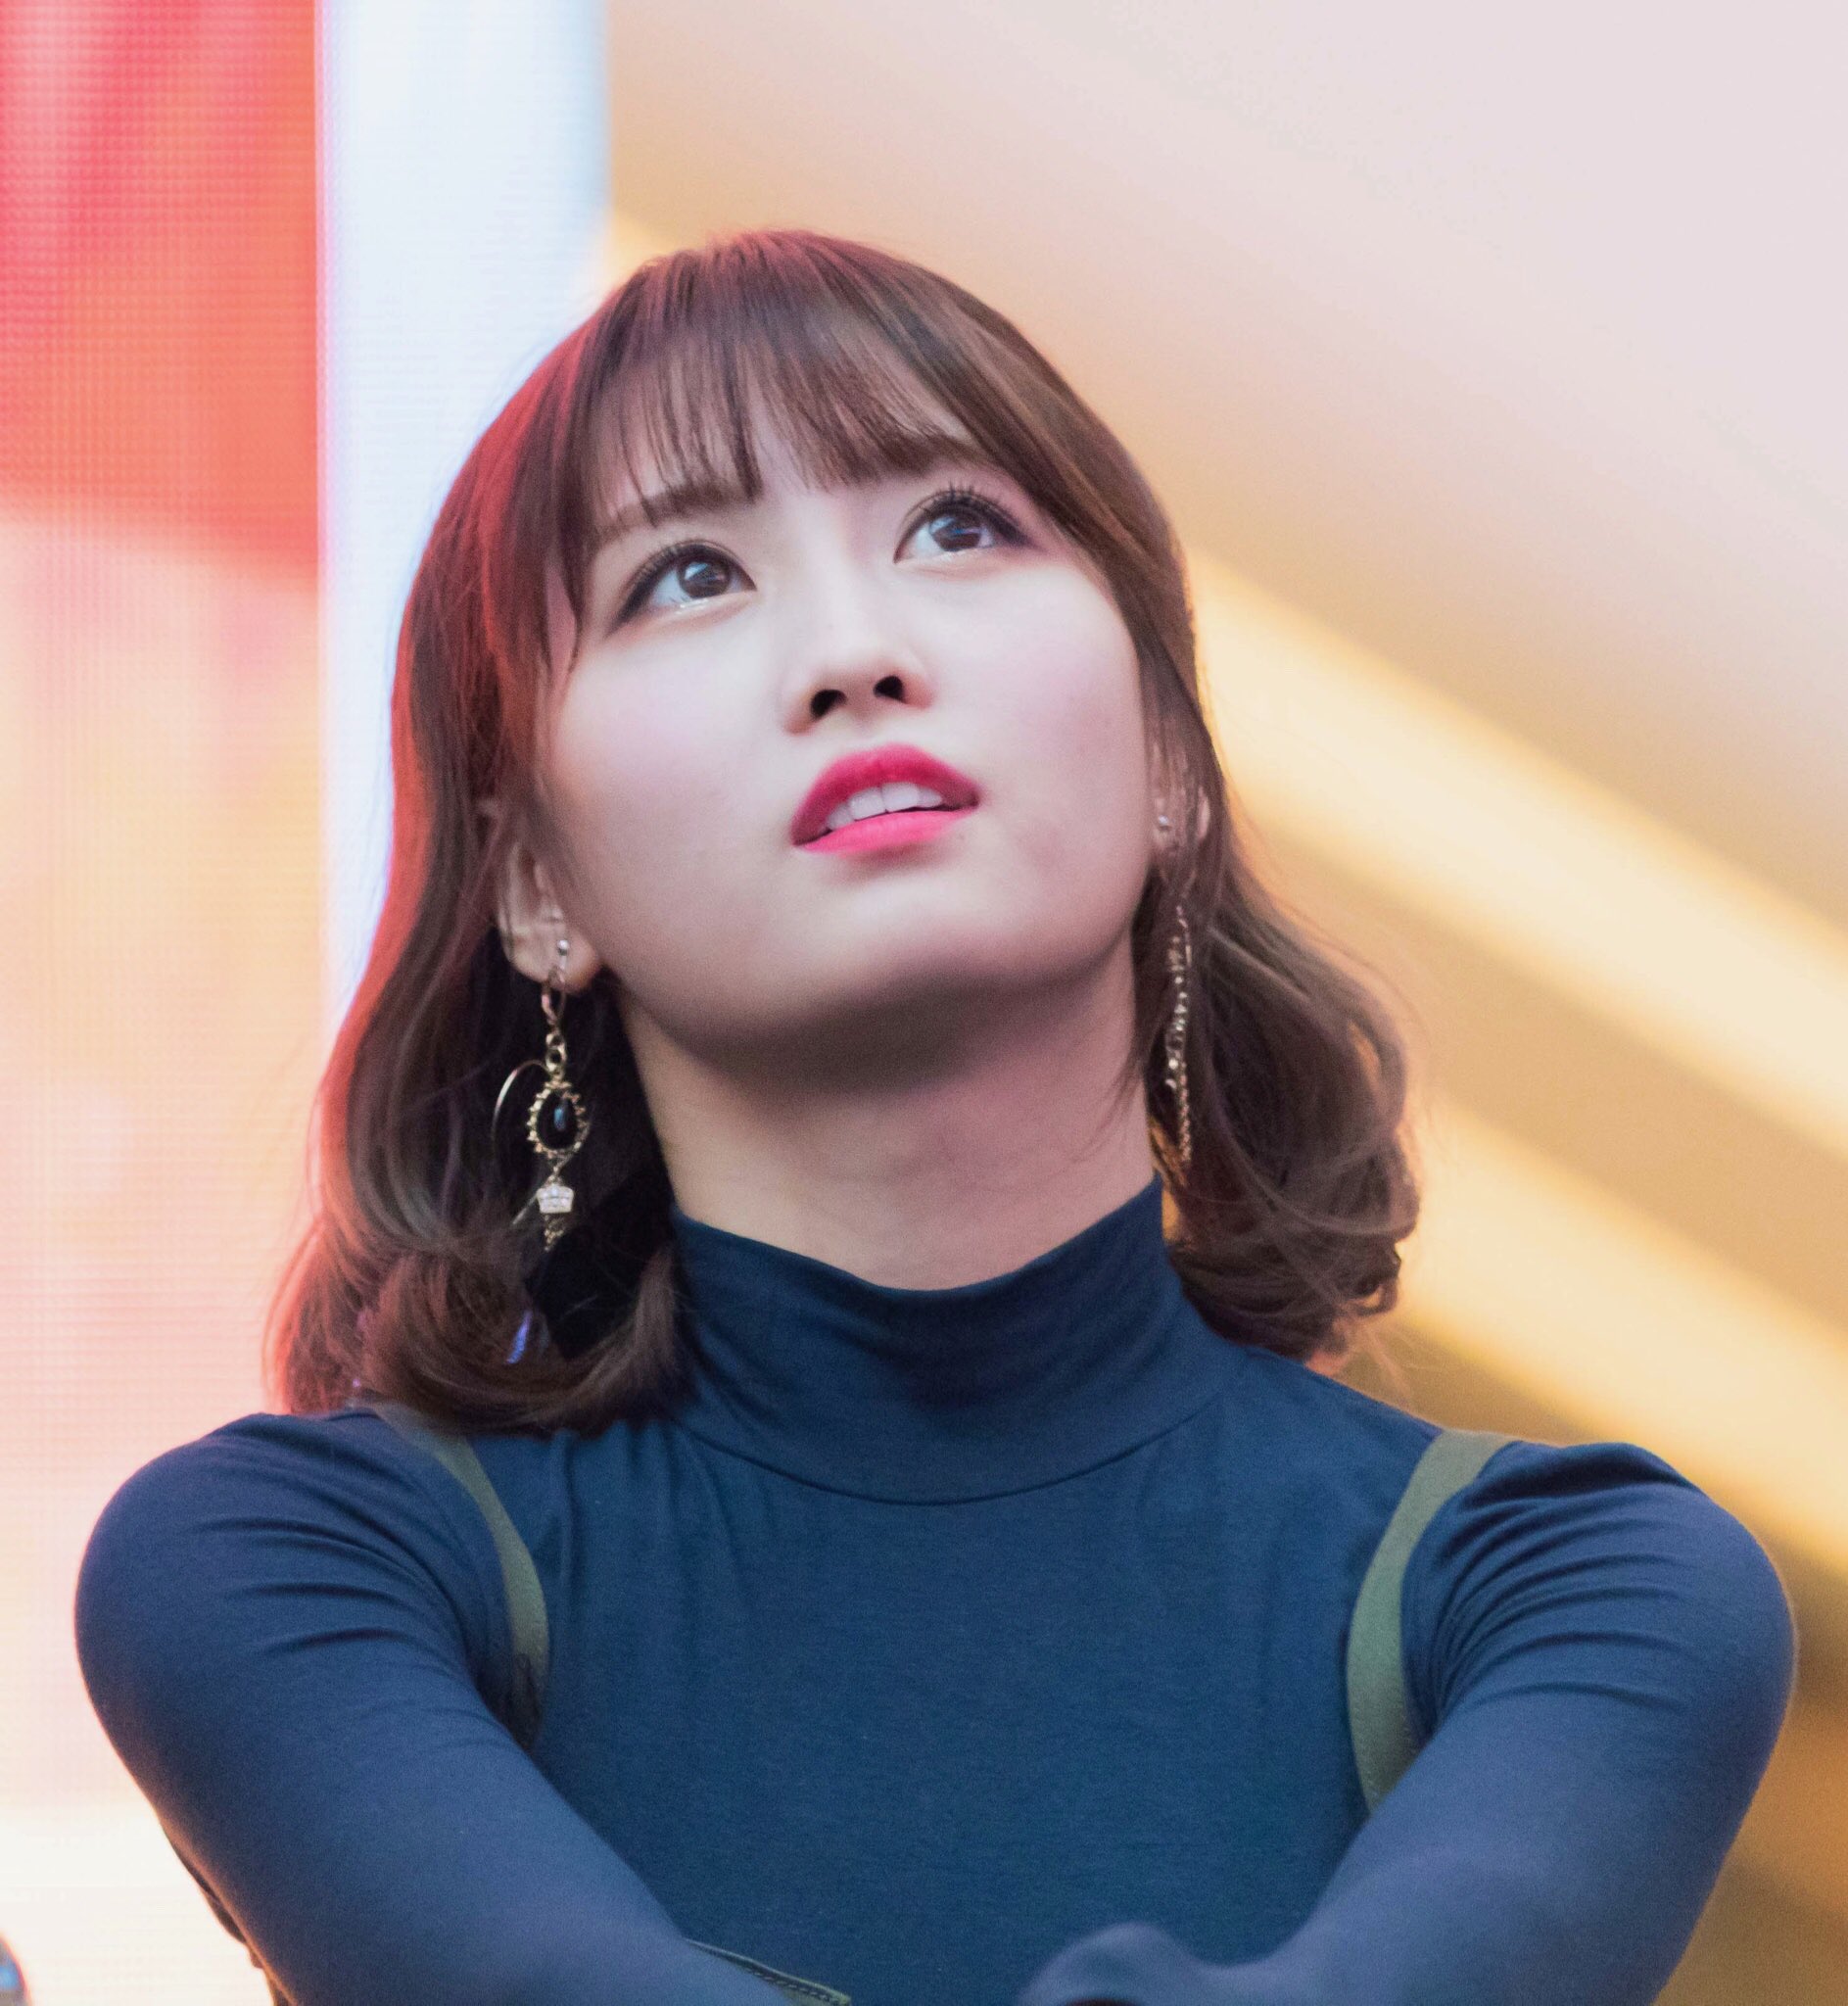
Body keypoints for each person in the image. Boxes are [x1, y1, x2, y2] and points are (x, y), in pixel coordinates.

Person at [74, 228, 1794, 2006]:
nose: (855, 649)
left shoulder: (1583, 1591)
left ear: (1171, 758)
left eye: (958, 529)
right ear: (535, 887)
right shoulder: (285, 1574)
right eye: (686, 576)